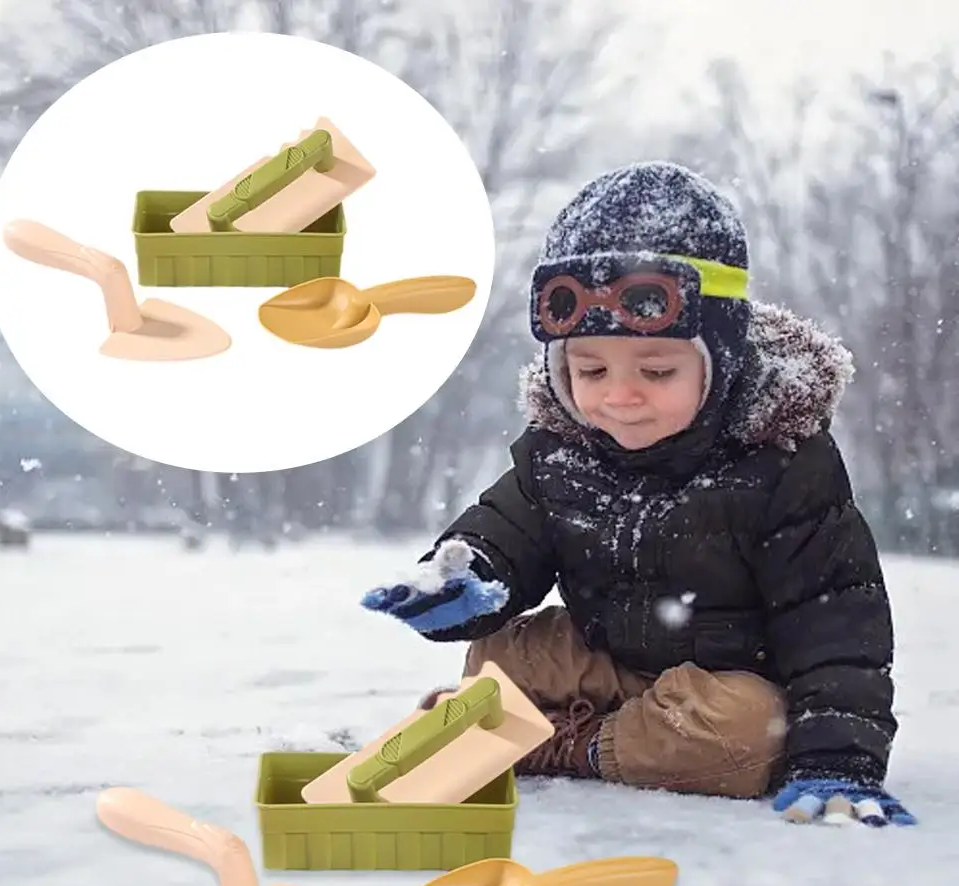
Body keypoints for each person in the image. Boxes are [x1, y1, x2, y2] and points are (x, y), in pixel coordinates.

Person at [361, 161, 916, 828]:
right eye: (588, 369)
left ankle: (566, 741)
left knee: (749, 731)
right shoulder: (559, 451)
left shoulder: (782, 466)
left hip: (726, 685)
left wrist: (837, 759)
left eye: (655, 370)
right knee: (503, 651)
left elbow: (836, 624)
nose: (618, 397)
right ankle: (598, 723)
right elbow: (504, 531)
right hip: (611, 661)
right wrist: (465, 579)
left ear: (722, 358)